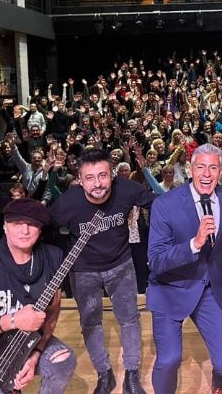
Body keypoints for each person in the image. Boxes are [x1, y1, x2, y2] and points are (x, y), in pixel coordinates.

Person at [50, 149, 155, 394]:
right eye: (90, 178)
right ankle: (104, 373)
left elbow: (160, 203)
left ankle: (131, 374)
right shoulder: (69, 201)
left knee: (129, 320)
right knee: (90, 323)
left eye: (103, 176)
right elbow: (44, 226)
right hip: (83, 270)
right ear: (80, 178)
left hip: (121, 265)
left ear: (112, 175)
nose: (97, 184)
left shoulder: (127, 189)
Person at [146, 144, 222, 394]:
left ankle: (219, 381)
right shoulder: (165, 205)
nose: (207, 174)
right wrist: (194, 244)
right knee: (169, 360)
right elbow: (155, 261)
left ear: (221, 172)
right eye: (201, 167)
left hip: (209, 288)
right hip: (170, 288)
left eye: (213, 168)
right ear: (190, 169)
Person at [0, 198, 76, 393]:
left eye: (31, 224)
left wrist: (35, 355)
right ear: (5, 227)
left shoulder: (52, 257)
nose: (24, 230)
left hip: (28, 343)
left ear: (40, 229)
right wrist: (14, 320)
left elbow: (53, 310)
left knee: (62, 360)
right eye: (17, 224)